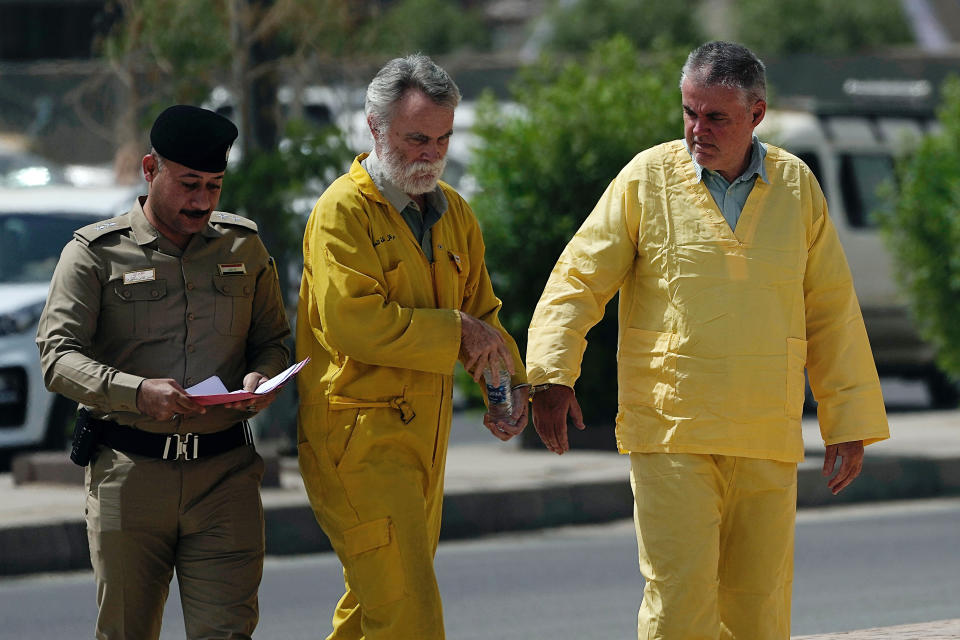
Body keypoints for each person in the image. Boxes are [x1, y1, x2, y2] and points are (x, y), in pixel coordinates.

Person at [525, 41, 890, 638]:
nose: (698, 129)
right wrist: (550, 374)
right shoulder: (646, 179)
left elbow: (831, 310)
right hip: (673, 430)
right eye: (690, 112)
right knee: (679, 608)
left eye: (716, 116)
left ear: (757, 115)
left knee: (760, 610)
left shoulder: (796, 187)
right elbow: (579, 279)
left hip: (765, 433)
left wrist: (846, 419)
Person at [36, 105, 291, 639]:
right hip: (130, 475)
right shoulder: (94, 255)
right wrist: (135, 392)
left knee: (227, 632)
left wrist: (260, 379)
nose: (201, 201)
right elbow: (58, 357)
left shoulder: (244, 247)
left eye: (214, 186)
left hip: (225, 477)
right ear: (150, 170)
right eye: (189, 183)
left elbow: (272, 341)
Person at [296, 53, 528, 639]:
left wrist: (509, 386)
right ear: (374, 129)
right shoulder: (340, 213)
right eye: (417, 138)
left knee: (374, 610)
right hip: (359, 444)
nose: (431, 153)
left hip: (424, 441)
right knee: (409, 617)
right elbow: (356, 324)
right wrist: (458, 332)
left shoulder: (455, 214)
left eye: (442, 139)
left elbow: (483, 313)